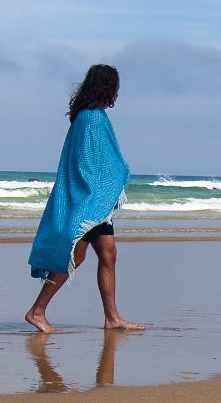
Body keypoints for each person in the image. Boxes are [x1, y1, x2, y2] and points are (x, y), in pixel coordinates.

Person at [25, 64, 144, 333]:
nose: (116, 93)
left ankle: (112, 318)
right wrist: (101, 188)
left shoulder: (89, 116)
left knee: (108, 253)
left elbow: (98, 160)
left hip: (94, 199)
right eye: (114, 87)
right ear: (106, 87)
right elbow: (86, 163)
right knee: (76, 256)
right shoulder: (91, 118)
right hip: (90, 201)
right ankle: (37, 311)